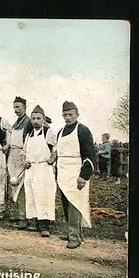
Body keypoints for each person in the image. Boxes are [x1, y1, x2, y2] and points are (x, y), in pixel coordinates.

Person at [55, 101, 96, 249]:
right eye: (65, 115)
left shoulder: (83, 131)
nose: (68, 118)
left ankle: (75, 237)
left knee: (75, 204)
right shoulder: (60, 131)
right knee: (66, 203)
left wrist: (83, 176)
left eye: (70, 115)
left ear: (77, 115)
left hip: (76, 172)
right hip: (63, 172)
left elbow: (90, 156)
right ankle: (72, 231)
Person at [22, 105, 57, 237]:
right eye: (33, 118)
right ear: (31, 120)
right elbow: (24, 152)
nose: (36, 121)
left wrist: (52, 159)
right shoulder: (29, 134)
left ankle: (44, 225)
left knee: (44, 195)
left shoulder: (49, 132)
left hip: (43, 168)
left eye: (38, 118)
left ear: (44, 119)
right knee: (31, 195)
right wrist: (25, 161)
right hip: (31, 168)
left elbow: (56, 149)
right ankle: (34, 221)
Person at [7, 96, 34, 229]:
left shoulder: (29, 122)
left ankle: (25, 218)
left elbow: (30, 142)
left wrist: (26, 158)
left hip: (22, 157)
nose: (16, 110)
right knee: (14, 185)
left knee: (22, 187)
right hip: (12, 156)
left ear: (25, 107)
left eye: (18, 107)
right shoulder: (15, 123)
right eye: (14, 107)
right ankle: (18, 214)